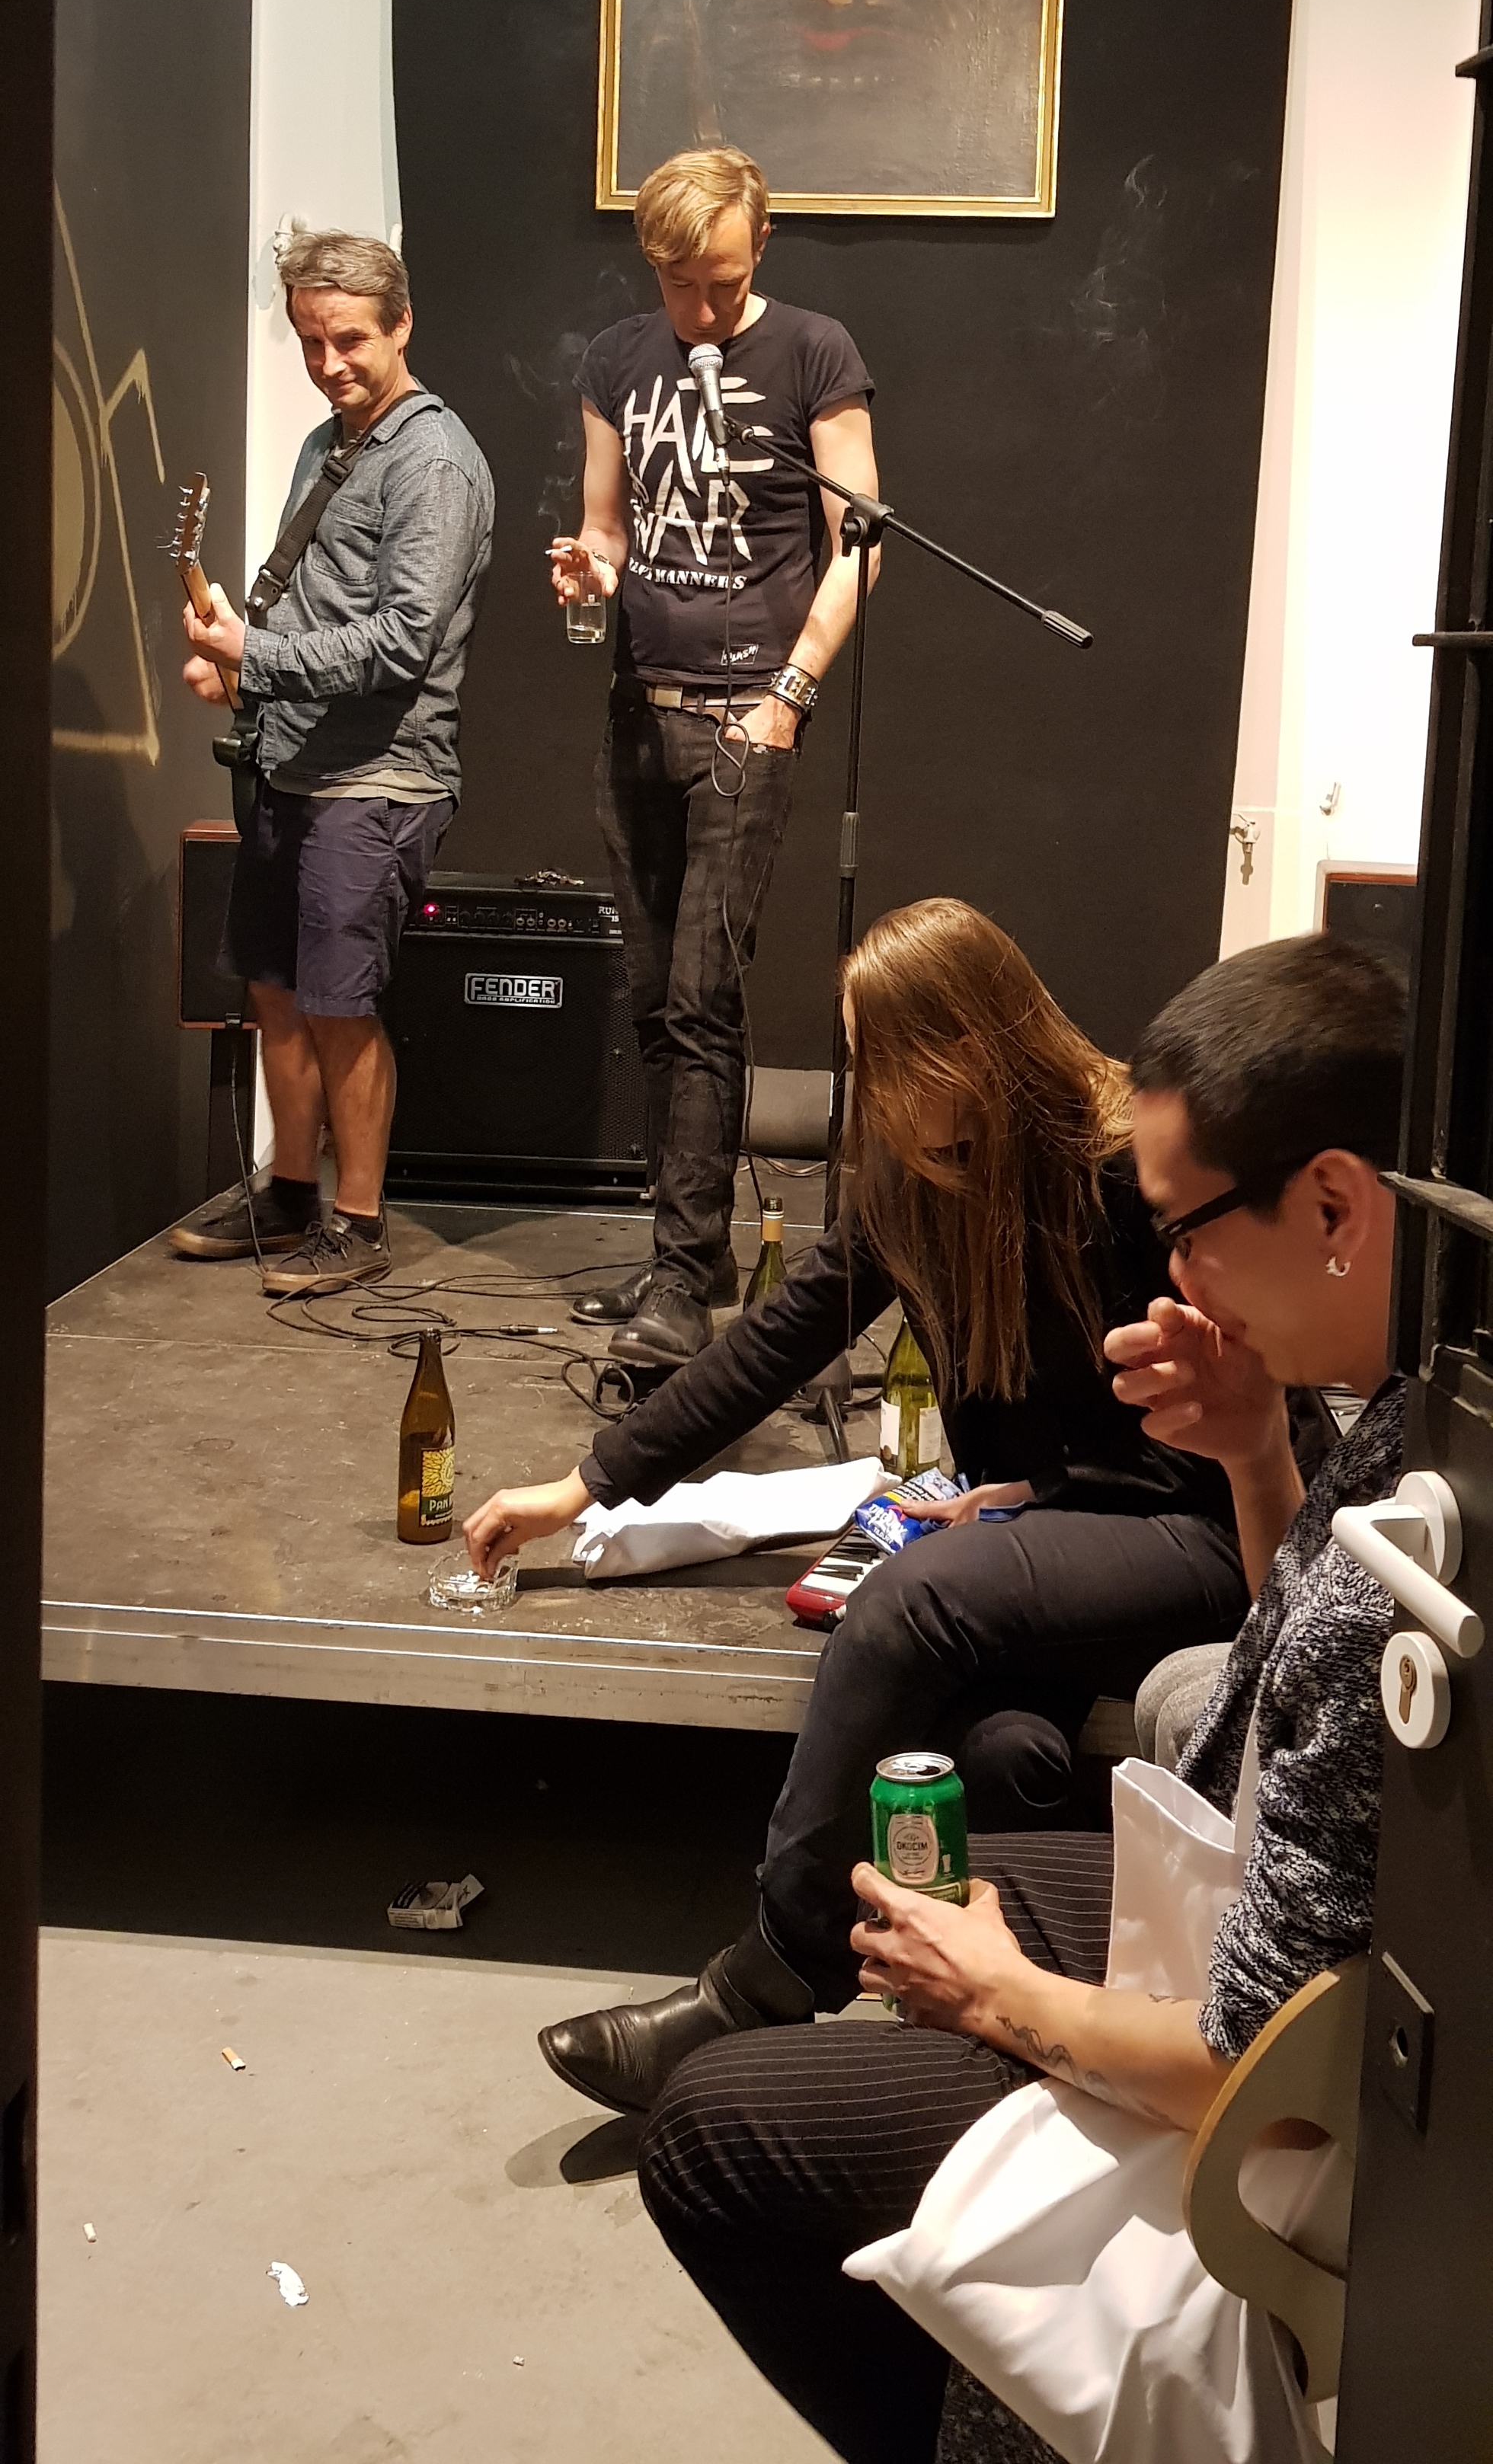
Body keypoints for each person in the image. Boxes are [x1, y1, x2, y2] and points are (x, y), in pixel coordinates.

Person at [631, 931, 1408, 2464]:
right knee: (991, 1772)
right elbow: (1286, 1659)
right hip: (1145, 1590)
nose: (1175, 1271)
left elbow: (1259, 2067)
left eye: (1188, 1230)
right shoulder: (1382, 1416)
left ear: (1331, 1205)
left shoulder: (1416, 1503)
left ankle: (778, 1985)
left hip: (1277, 2043)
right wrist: (1256, 1450)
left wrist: (1001, 1995)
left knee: (712, 2131)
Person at [463, 898, 1255, 2108]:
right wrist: (582, 1488)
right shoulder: (930, 1180)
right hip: (1060, 1529)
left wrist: (1037, 1500)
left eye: (877, 1060)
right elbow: (773, 1342)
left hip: (1198, 1534)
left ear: (961, 1051)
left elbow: (1212, 1445)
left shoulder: (1123, 1173)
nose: (865, 1093)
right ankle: (987, 2020)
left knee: (914, 1600)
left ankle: (768, 1977)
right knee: (1005, 1754)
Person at [551, 142, 879, 1369]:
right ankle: (687, 1256)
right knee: (653, 1000)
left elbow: (860, 542)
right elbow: (606, 529)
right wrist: (590, 571)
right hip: (639, 710)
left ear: (761, 246)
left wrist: (791, 695)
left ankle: (684, 1280)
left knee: (703, 994)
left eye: (725, 282)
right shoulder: (614, 361)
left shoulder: (815, 352)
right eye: (681, 284)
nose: (703, 307)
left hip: (747, 715)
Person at [170, 227, 494, 1297]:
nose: (329, 363)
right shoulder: (327, 443)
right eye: (311, 341)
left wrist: (255, 655)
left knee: (341, 1003)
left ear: (402, 326)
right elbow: (313, 610)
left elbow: (402, 643)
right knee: (275, 990)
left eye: (349, 339)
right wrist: (239, 669)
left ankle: (357, 1222)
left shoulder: (434, 462)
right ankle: (290, 1193)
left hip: (379, 778)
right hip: (290, 762)